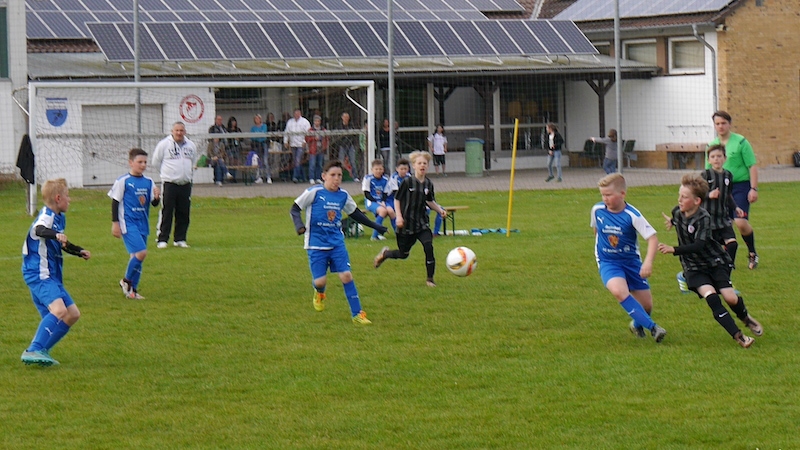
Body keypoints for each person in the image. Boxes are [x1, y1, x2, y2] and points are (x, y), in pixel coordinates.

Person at [658, 174, 763, 348]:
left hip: (714, 262)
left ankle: (745, 318)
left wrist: (673, 249)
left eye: (684, 197)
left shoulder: (704, 218)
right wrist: (672, 222)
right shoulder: (677, 211)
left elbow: (699, 245)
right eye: (679, 195)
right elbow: (678, 219)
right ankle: (739, 337)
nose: (679, 199)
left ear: (697, 201)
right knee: (712, 297)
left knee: (731, 298)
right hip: (693, 267)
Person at [290, 160, 388, 325]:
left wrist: (375, 226)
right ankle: (319, 292)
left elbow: (355, 213)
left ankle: (357, 314)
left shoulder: (343, 195)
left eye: (340, 175)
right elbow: (294, 209)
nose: (336, 179)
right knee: (320, 281)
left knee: (346, 276)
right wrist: (299, 226)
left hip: (336, 243)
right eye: (333, 175)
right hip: (316, 244)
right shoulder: (314, 192)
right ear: (324, 176)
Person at [21, 178, 91, 366]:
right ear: (58, 198)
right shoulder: (47, 215)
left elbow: (61, 243)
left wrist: (78, 251)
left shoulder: (60, 218)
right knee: (59, 310)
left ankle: (42, 351)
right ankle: (34, 349)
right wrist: (55, 234)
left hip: (51, 275)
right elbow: (39, 229)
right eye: (67, 196)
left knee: (72, 314)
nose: (70, 199)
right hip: (39, 273)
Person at [591, 173, 666, 342]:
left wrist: (647, 263)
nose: (605, 199)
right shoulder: (597, 210)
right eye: (602, 195)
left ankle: (637, 325)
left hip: (631, 262)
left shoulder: (632, 215)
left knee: (646, 305)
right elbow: (596, 230)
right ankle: (654, 328)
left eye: (608, 195)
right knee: (619, 291)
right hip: (608, 262)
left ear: (622, 194)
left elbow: (652, 238)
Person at [374, 151, 447, 287]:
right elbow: (397, 199)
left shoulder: (428, 184)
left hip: (422, 223)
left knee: (428, 246)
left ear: (428, 166)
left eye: (425, 163)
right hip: (406, 224)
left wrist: (439, 210)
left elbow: (429, 201)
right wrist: (399, 217)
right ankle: (385, 254)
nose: (422, 165)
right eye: (419, 163)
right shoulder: (407, 182)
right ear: (414, 166)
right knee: (403, 254)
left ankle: (430, 279)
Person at [708, 110, 759, 269]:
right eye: (717, 123)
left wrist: (753, 188)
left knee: (741, 222)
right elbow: (707, 172)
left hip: (740, 186)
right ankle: (726, 260)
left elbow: (752, 165)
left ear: (729, 124)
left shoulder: (741, 142)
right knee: (723, 224)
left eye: (723, 123)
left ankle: (752, 253)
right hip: (720, 187)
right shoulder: (712, 146)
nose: (720, 126)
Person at [109, 148, 161, 300]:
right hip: (128, 222)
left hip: (142, 223)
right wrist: (115, 223)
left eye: (145, 162)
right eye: (140, 162)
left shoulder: (149, 181)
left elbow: (153, 203)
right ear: (131, 163)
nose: (143, 165)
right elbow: (115, 202)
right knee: (141, 253)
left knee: (137, 257)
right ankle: (126, 281)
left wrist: (157, 198)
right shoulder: (123, 181)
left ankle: (132, 291)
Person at [152, 121, 198, 248]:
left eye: (181, 130)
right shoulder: (164, 144)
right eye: (176, 130)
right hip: (170, 183)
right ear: (172, 131)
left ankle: (180, 239)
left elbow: (193, 161)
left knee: (184, 212)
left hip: (185, 184)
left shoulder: (191, 145)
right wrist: (167, 174)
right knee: (167, 211)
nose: (179, 133)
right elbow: (156, 162)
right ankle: (162, 239)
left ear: (185, 132)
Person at [362, 159, 395, 241]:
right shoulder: (368, 178)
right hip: (371, 201)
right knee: (383, 211)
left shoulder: (385, 179)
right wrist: (377, 202)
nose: (378, 171)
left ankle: (399, 235)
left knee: (391, 211)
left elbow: (385, 193)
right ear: (372, 170)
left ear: (383, 169)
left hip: (381, 202)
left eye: (380, 169)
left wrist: (383, 202)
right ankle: (374, 236)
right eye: (376, 169)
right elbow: (367, 194)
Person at [284, 108, 311, 183]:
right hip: (293, 144)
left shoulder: (305, 122)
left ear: (300, 113)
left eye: (298, 113)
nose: (296, 115)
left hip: (301, 144)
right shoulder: (290, 122)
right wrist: (285, 141)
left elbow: (308, 132)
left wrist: (305, 141)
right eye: (295, 113)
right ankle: (302, 177)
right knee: (296, 161)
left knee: (298, 160)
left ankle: (295, 177)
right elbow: (286, 132)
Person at [335, 112, 360, 182]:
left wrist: (354, 143)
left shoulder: (352, 125)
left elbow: (354, 135)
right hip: (342, 145)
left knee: (353, 162)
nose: (346, 118)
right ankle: (339, 177)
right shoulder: (339, 126)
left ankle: (355, 177)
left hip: (350, 145)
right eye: (345, 117)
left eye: (347, 117)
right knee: (341, 162)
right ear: (342, 117)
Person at [208, 115, 231, 187]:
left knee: (219, 163)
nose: (220, 121)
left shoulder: (223, 128)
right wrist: (213, 157)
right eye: (218, 119)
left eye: (221, 119)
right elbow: (209, 152)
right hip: (212, 159)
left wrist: (218, 157)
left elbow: (222, 152)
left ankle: (219, 180)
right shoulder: (211, 143)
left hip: (219, 157)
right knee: (219, 162)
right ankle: (226, 173)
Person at [305, 115, 328, 184]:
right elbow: (307, 139)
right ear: (314, 122)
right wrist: (314, 138)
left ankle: (318, 178)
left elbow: (327, 138)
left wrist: (325, 146)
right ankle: (311, 178)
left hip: (320, 149)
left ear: (320, 122)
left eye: (318, 121)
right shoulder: (310, 130)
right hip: (313, 149)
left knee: (319, 164)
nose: (317, 122)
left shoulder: (323, 130)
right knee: (312, 164)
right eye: (316, 121)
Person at [250, 114, 272, 185]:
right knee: (258, 161)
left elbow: (263, 135)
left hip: (264, 144)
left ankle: (268, 177)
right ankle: (259, 177)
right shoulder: (253, 128)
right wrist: (258, 136)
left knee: (265, 161)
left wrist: (257, 136)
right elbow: (252, 137)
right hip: (257, 145)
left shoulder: (264, 126)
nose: (257, 120)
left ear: (260, 119)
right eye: (255, 119)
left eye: (258, 118)